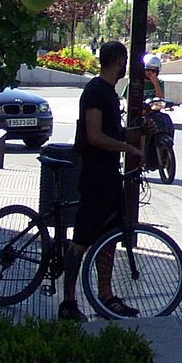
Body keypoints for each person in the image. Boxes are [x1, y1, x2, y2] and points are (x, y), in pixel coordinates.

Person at [59, 40, 143, 322]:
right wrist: (128, 149)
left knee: (110, 237)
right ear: (119, 61)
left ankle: (105, 297)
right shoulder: (96, 92)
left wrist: (139, 132)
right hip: (95, 176)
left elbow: (114, 132)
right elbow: (95, 135)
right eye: (125, 62)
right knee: (81, 241)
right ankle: (68, 303)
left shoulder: (108, 93)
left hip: (109, 176)